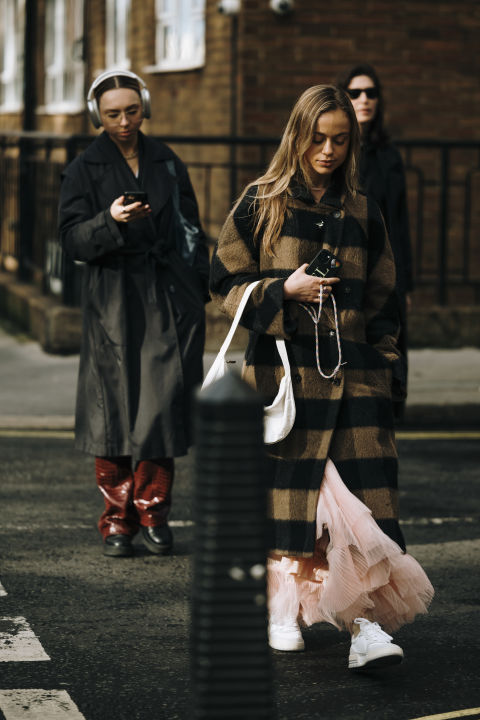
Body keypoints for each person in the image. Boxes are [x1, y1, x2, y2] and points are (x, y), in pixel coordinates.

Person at [210, 85, 433, 669]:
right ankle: (285, 609)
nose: (328, 150)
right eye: (318, 137)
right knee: (305, 503)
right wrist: (283, 289)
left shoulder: (362, 209)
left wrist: (382, 360)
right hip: (286, 381)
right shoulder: (262, 201)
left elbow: (385, 298)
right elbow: (222, 282)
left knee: (358, 507)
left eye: (339, 139)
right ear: (297, 134)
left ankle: (364, 627)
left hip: (353, 382)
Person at [58, 70, 209, 558]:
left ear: (145, 106)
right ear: (96, 115)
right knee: (113, 410)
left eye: (132, 111)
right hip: (113, 299)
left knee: (161, 410)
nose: (124, 122)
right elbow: (72, 240)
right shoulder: (85, 167)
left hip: (166, 296)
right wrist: (111, 221)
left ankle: (154, 513)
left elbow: (191, 229)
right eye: (112, 114)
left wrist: (198, 292)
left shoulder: (166, 161)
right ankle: (117, 520)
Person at [337, 63, 414, 417]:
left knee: (388, 349)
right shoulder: (335, 152)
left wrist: (406, 285)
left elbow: (399, 222)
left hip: (385, 266)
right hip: (346, 266)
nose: (364, 99)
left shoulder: (389, 156)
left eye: (370, 93)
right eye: (355, 93)